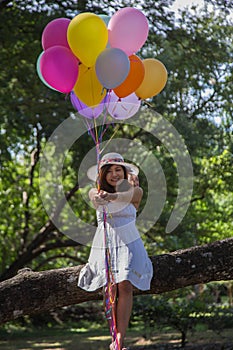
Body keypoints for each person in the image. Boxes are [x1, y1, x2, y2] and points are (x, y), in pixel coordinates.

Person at [78, 152, 153, 350]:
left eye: (118, 169)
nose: (114, 174)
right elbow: (95, 199)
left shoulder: (136, 191)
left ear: (125, 172)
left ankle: (120, 340)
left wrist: (112, 195)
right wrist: (101, 197)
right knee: (109, 288)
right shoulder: (94, 192)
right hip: (106, 242)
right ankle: (113, 336)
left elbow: (127, 196)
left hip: (129, 242)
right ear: (102, 175)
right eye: (109, 171)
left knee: (125, 286)